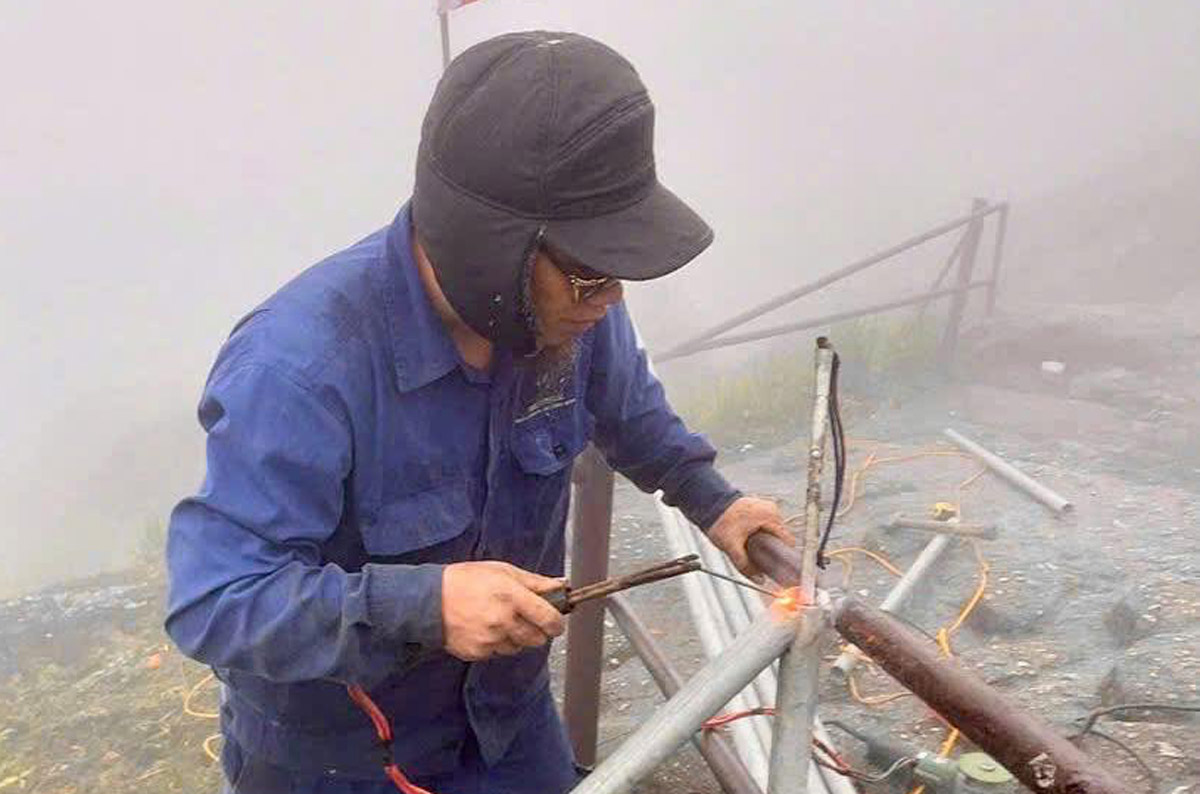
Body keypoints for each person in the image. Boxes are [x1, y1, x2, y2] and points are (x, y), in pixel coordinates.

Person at [165, 30, 792, 794]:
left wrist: (714, 501)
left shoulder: (569, 312)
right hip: (340, 762)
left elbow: (629, 415)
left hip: (508, 728)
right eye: (594, 276)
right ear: (490, 247)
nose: (613, 300)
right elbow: (214, 601)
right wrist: (425, 606)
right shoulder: (301, 366)